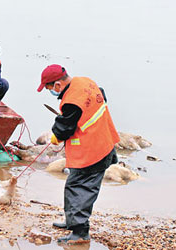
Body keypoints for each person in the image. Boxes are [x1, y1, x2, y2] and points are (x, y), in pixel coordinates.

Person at [37, 64, 120, 244]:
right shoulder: (85, 82)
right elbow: (102, 95)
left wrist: (55, 137)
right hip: (103, 142)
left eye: (50, 88)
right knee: (75, 183)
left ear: (58, 85)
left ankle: (80, 233)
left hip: (94, 151)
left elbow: (65, 126)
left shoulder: (72, 101)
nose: (51, 91)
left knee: (79, 188)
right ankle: (71, 222)